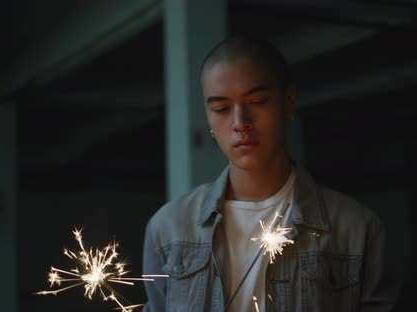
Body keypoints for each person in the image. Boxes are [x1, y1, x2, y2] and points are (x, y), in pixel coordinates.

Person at [142, 36, 400, 311]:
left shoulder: (356, 229)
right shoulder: (169, 228)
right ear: (208, 115)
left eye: (257, 101)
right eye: (221, 109)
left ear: (288, 100)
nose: (240, 123)